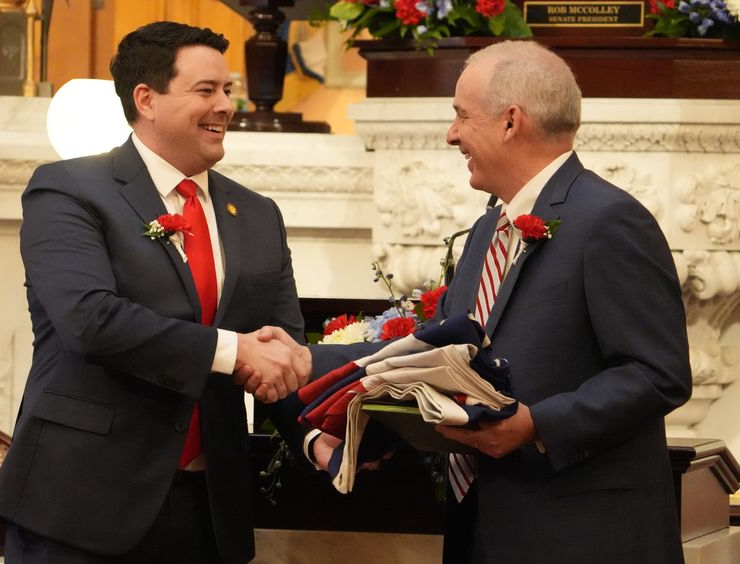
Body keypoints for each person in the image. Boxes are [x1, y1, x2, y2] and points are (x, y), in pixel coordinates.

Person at [271, 40, 692, 563]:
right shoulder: (486, 231)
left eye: (461, 115)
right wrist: (301, 357)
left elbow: (657, 373)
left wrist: (535, 425)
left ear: (511, 121)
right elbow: (441, 352)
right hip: (482, 524)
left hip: (581, 533)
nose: (451, 135)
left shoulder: (609, 221)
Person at [0, 21, 311, 563]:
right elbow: (91, 321)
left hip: (208, 511)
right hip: (84, 505)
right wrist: (234, 350)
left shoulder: (257, 214)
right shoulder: (68, 190)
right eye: (206, 91)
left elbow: (283, 348)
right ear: (146, 99)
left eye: (228, 90)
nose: (225, 106)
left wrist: (318, 435)